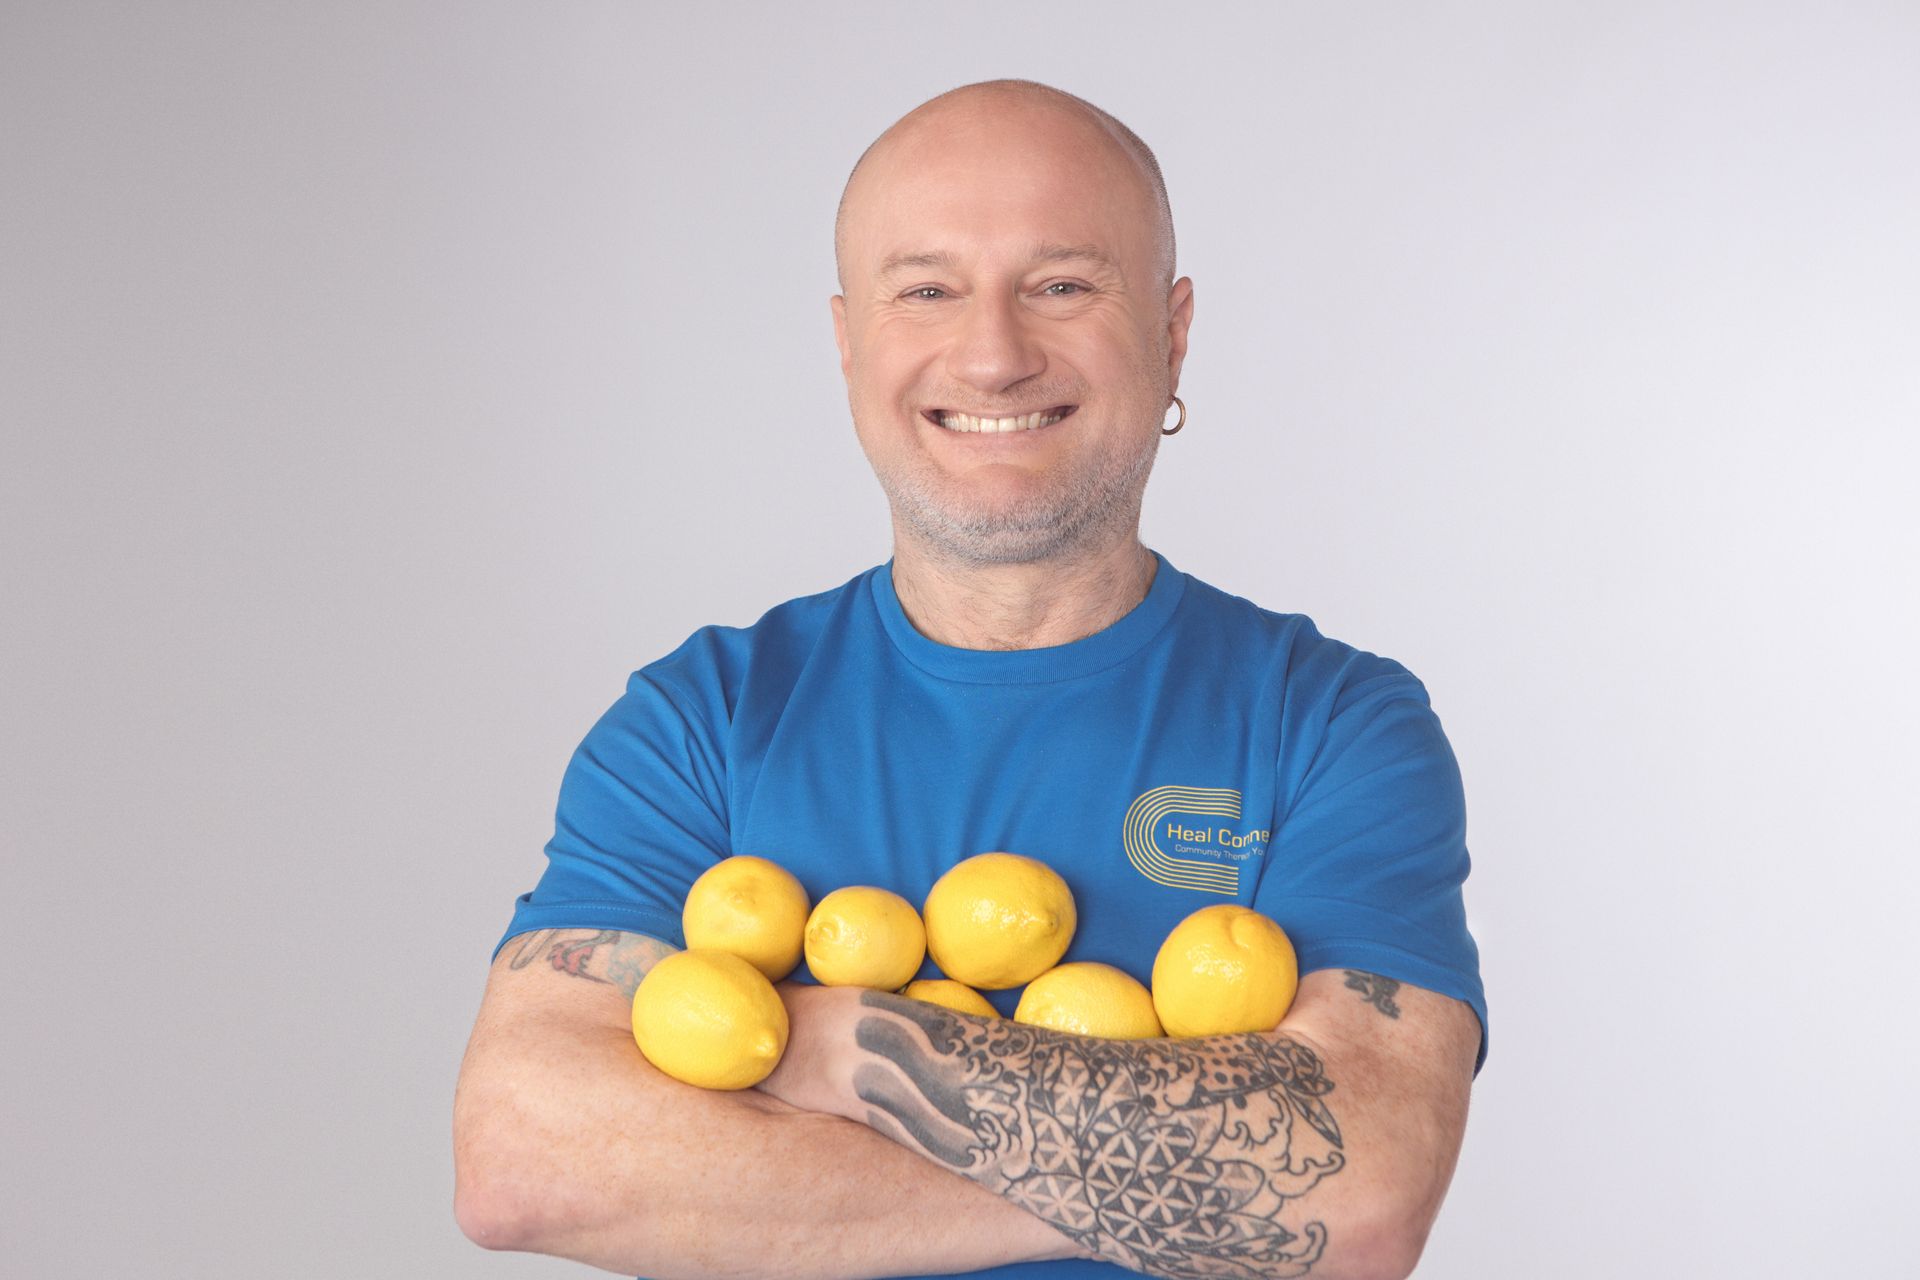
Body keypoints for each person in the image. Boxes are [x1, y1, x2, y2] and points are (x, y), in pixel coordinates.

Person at [453, 78, 1486, 1280]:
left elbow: (1358, 1194)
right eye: (928, 290)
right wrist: (1182, 1176)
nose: (993, 355)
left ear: (1173, 330)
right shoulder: (703, 720)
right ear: (849, 342)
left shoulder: (1334, 724)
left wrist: (841, 1048)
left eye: (1061, 285)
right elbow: (529, 1157)